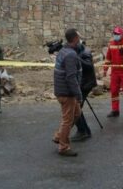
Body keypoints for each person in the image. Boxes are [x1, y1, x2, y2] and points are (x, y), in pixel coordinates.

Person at [52, 29, 83, 157]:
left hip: (63, 90)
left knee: (77, 113)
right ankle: (63, 147)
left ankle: (59, 136)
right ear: (75, 38)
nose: (80, 39)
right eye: (79, 37)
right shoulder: (70, 55)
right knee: (67, 120)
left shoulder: (63, 51)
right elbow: (71, 77)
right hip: (66, 93)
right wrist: (78, 94)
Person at [71, 41, 97, 142]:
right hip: (82, 82)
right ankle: (85, 131)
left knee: (75, 108)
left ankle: (83, 131)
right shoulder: (78, 50)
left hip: (86, 83)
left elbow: (89, 66)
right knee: (76, 107)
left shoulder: (85, 52)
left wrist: (76, 58)